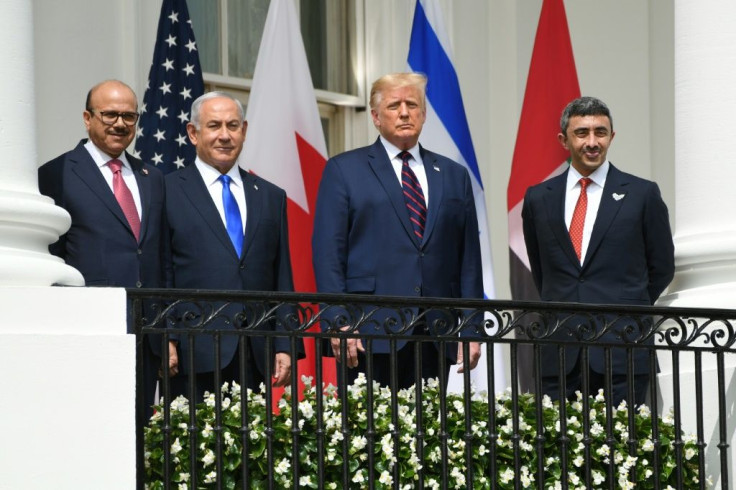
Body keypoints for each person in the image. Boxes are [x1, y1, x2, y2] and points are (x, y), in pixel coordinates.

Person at [312, 72, 483, 390]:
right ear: (376, 117)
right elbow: (328, 254)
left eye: (412, 104)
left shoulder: (452, 175)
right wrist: (337, 320)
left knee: (430, 432)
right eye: (394, 105)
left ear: (423, 114)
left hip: (435, 331)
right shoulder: (344, 170)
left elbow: (468, 260)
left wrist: (471, 327)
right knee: (369, 436)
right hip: (367, 331)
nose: (404, 112)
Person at [521, 96, 675, 406]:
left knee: (622, 450)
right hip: (560, 352)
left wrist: (624, 306)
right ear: (564, 139)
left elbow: (662, 267)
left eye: (600, 132)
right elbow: (542, 270)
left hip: (622, 349)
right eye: (582, 133)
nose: (592, 142)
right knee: (559, 449)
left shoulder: (642, 194)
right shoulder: (539, 198)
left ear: (612, 137)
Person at [38, 79, 175, 414]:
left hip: (147, 332)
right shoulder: (56, 173)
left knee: (140, 430)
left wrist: (168, 333)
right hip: (89, 326)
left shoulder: (152, 177)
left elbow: (161, 257)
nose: (120, 124)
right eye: (110, 114)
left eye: (129, 116)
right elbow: (52, 256)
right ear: (88, 118)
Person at [165, 91, 302, 401]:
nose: (224, 135)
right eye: (214, 125)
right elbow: (164, 270)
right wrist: (168, 338)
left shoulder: (270, 196)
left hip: (256, 352)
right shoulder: (166, 190)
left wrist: (285, 343)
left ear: (245, 131)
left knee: (254, 447)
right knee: (194, 448)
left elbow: (282, 276)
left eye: (233, 125)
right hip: (193, 351)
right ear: (193, 133)